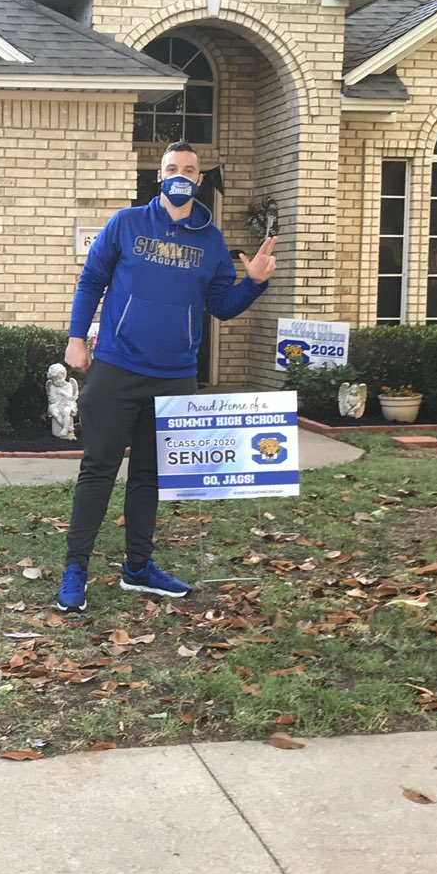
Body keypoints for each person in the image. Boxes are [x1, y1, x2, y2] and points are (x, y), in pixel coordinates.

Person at [56, 141, 277, 613]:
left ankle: (138, 567)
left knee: (150, 477)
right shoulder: (127, 223)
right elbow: (91, 280)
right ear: (160, 177)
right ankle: (76, 568)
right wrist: (77, 339)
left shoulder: (211, 240)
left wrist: (254, 283)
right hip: (116, 367)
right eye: (172, 168)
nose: (181, 175)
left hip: (175, 377)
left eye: (190, 169)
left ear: (199, 180)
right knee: (98, 470)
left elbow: (221, 305)